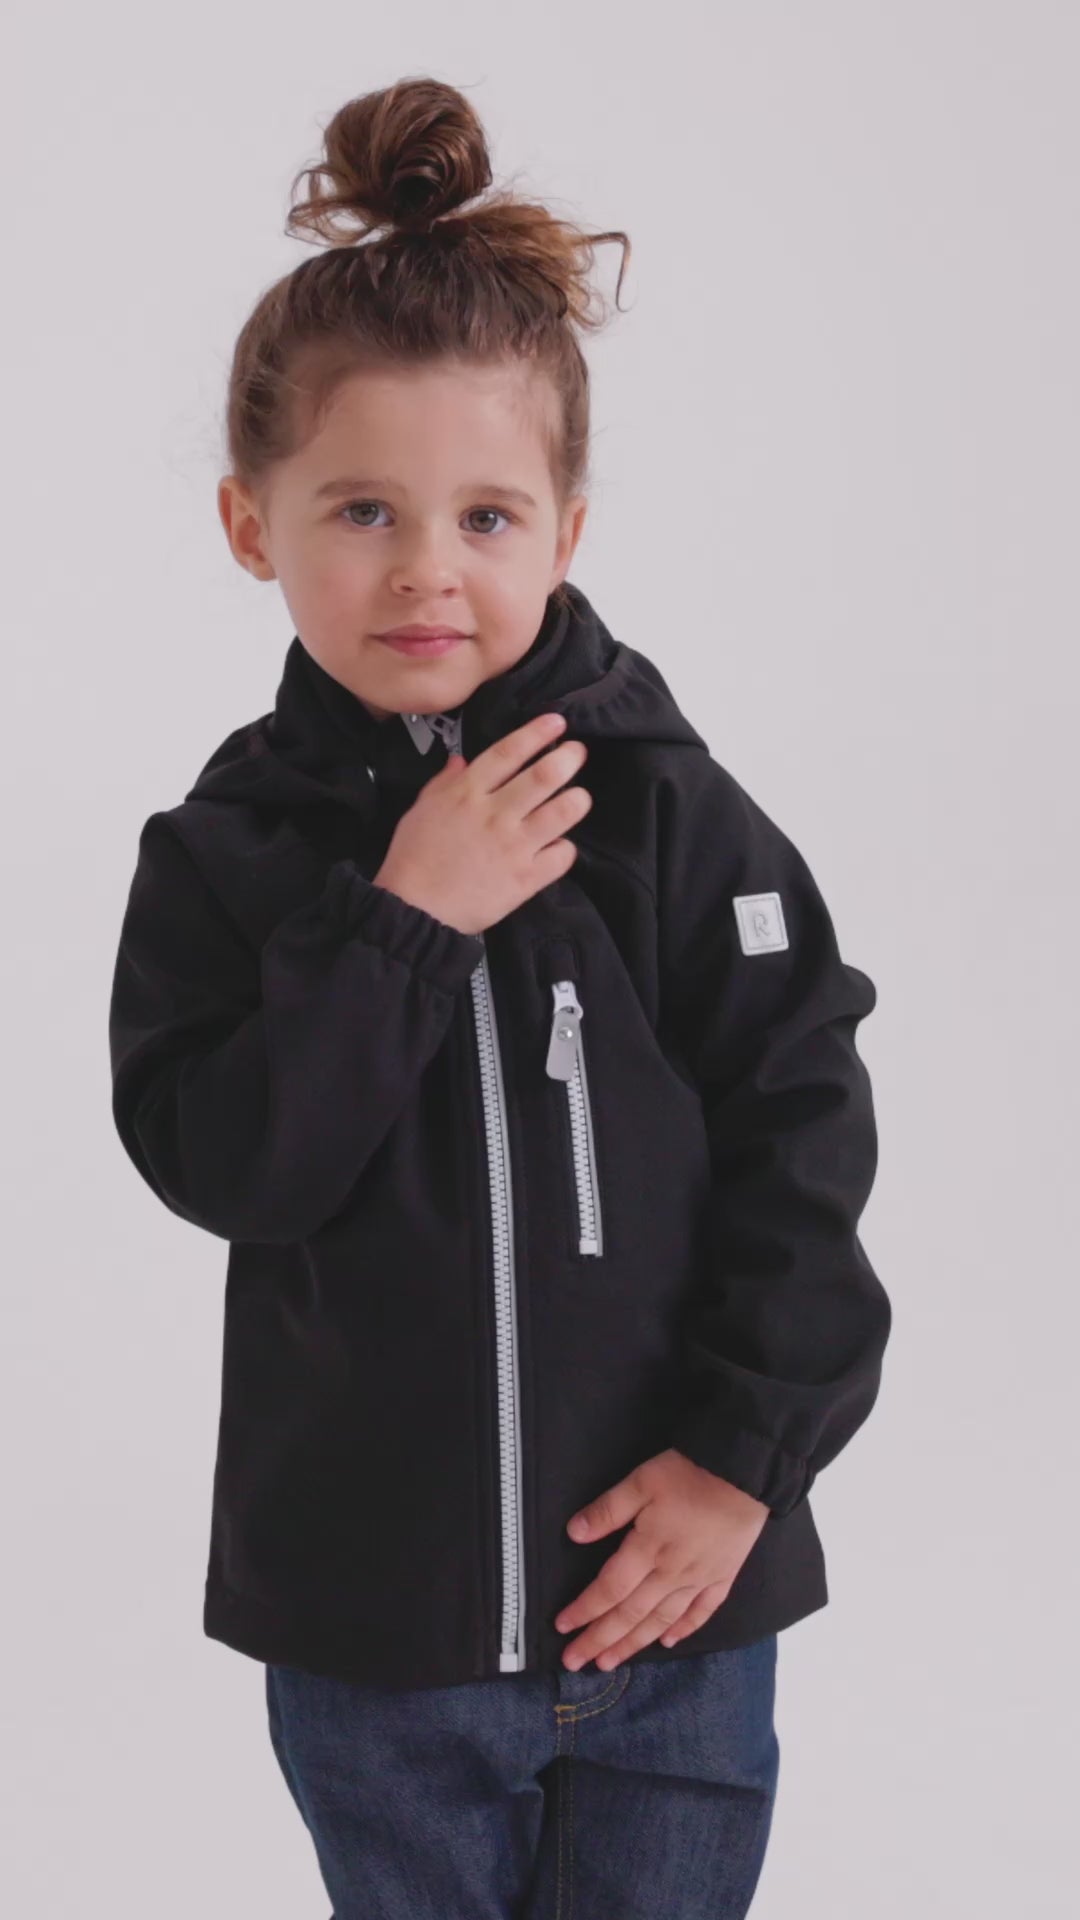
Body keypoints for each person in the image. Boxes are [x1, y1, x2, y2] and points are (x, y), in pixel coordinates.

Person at [107, 74, 891, 1920]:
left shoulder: (673, 816)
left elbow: (806, 1138)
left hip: (673, 1609)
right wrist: (406, 920)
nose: (426, 573)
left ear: (568, 528)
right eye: (362, 510)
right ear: (249, 522)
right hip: (377, 1647)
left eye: (485, 515)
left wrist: (743, 1464)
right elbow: (237, 1165)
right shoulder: (225, 855)